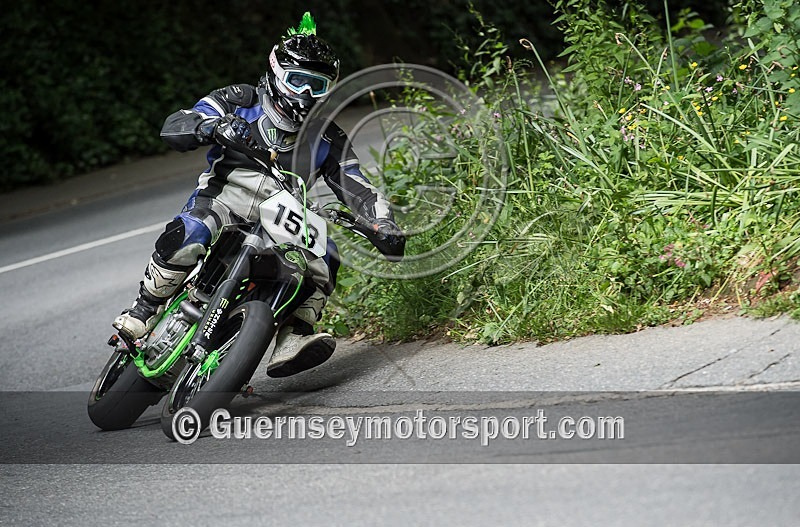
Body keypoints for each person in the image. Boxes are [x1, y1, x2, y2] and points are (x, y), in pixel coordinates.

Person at [113, 12, 404, 378]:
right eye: (298, 80)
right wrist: (211, 126)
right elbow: (178, 124)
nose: (305, 94)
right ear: (277, 73)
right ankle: (143, 309)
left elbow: (355, 182)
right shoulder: (238, 98)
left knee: (327, 254)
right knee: (190, 234)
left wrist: (383, 222)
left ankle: (294, 336)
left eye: (317, 86)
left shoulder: (327, 136)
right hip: (225, 196)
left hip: (285, 211)